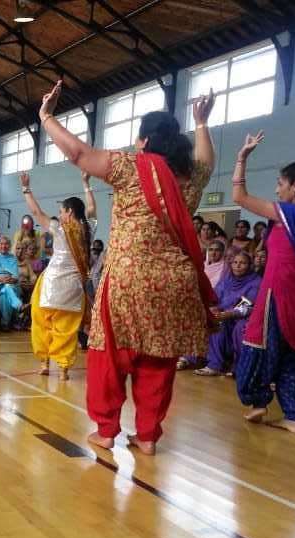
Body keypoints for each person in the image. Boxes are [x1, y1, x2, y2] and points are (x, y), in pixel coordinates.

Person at [40, 80, 218, 455]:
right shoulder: (191, 177)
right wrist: (202, 123)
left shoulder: (129, 166)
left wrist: (46, 116)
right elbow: (207, 160)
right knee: (159, 358)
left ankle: (106, 430)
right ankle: (148, 436)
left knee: (110, 356)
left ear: (143, 141)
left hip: (127, 278)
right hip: (175, 284)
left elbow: (77, 153)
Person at [232, 132, 295, 434]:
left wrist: (242, 158)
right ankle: (293, 415)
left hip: (278, 290)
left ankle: (258, 401)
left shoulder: (287, 212)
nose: (277, 190)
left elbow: (239, 197)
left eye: (281, 183)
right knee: (292, 351)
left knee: (258, 343)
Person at [20, 171, 96, 381]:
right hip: (73, 288)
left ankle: (44, 363)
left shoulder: (60, 229)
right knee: (67, 329)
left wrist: (26, 188)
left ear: (69, 212)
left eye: (62, 211)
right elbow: (91, 209)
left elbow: (35, 212)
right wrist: (85, 183)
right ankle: (63, 369)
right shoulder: (88, 228)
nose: (60, 214)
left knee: (41, 322)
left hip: (51, 284)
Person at [194, 250, 261, 376]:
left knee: (220, 324)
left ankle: (215, 365)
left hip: (243, 318)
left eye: (243, 263)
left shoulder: (255, 282)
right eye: (235, 262)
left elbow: (248, 307)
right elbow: (215, 298)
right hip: (224, 315)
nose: (238, 265)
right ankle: (190, 358)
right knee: (202, 317)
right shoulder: (227, 279)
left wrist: (228, 314)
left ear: (249, 265)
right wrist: (213, 307)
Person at [0, 235, 24, 330]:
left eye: (6, 244)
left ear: (9, 246)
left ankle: (5, 323)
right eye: (2, 244)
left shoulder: (13, 258)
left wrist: (8, 281)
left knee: (5, 293)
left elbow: (15, 277)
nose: (4, 246)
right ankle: (19, 306)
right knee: (6, 288)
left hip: (12, 284)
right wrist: (2, 280)